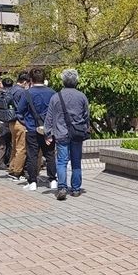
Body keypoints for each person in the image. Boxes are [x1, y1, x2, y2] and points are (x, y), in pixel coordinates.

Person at [44, 68, 91, 201]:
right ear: (76, 81)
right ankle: (76, 189)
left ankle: (62, 187)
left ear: (63, 81)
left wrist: (47, 133)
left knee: (62, 161)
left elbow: (49, 116)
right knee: (76, 161)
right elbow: (86, 115)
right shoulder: (82, 96)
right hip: (77, 133)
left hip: (61, 133)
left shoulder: (56, 97)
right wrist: (86, 127)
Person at [21, 68, 57, 192]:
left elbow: (20, 110)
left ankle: (32, 182)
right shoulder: (52, 92)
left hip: (32, 127)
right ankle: (52, 180)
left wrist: (25, 121)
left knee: (32, 155)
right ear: (44, 78)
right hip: (49, 129)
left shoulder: (27, 93)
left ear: (31, 79)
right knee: (50, 154)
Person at [7, 72, 30, 182]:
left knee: (14, 147)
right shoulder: (21, 91)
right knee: (21, 148)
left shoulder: (11, 89)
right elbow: (23, 107)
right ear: (25, 82)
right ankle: (17, 172)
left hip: (11, 121)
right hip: (20, 122)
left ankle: (12, 168)